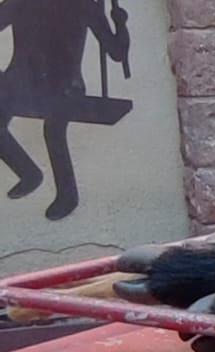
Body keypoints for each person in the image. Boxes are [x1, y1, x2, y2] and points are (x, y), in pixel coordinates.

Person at [0, 0, 132, 221]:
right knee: (54, 131)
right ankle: (41, 179)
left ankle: (43, 181)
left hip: (44, 85)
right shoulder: (84, 6)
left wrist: (119, 23)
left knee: (54, 129)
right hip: (53, 85)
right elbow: (118, 51)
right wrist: (120, 24)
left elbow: (117, 53)